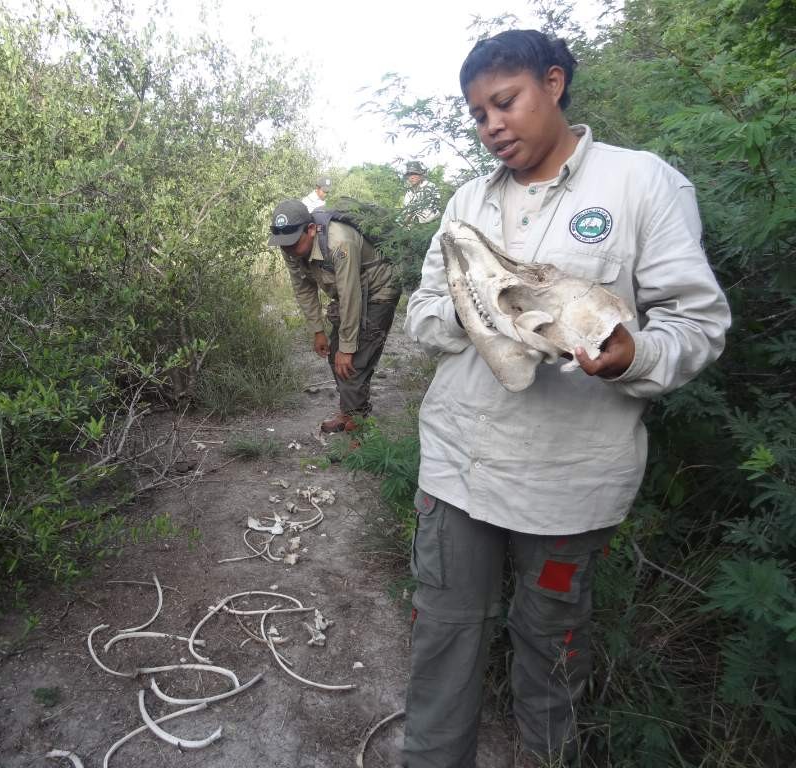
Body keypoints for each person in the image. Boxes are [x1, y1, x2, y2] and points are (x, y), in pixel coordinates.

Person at [402, 30, 730, 768]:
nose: (491, 125)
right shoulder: (465, 203)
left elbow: (697, 324)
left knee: (553, 650)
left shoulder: (642, 185)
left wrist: (631, 356)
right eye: (478, 113)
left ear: (554, 83)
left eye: (505, 102)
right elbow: (425, 315)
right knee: (443, 638)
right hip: (460, 467)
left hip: (570, 482)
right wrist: (479, 307)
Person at [268, 198, 401, 433]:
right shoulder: (289, 246)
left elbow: (351, 295)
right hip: (349, 293)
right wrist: (318, 331)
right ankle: (349, 413)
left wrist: (348, 348)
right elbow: (303, 289)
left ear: (310, 230)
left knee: (354, 362)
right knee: (335, 356)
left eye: (292, 243)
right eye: (283, 244)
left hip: (379, 291)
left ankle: (359, 426)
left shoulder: (340, 242)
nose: (287, 250)